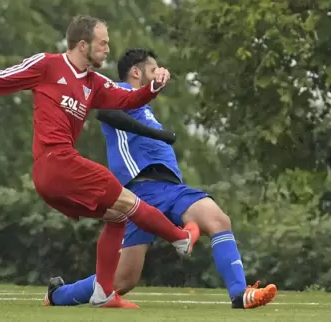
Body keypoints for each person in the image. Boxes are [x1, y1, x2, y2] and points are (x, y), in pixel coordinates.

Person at [0, 16, 200, 309]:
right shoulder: (47, 65)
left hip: (59, 172)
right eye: (103, 43)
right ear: (83, 44)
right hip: (55, 162)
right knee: (127, 200)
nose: (107, 49)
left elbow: (129, 101)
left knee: (117, 216)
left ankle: (103, 293)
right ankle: (179, 238)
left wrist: (154, 88)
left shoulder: (94, 82)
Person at [43, 48, 278, 309]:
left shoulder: (142, 106)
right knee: (122, 279)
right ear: (136, 71)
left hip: (170, 189)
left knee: (218, 220)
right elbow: (104, 113)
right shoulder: (121, 92)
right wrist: (156, 134)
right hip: (141, 190)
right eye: (153, 70)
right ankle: (58, 295)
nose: (158, 75)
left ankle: (239, 293)